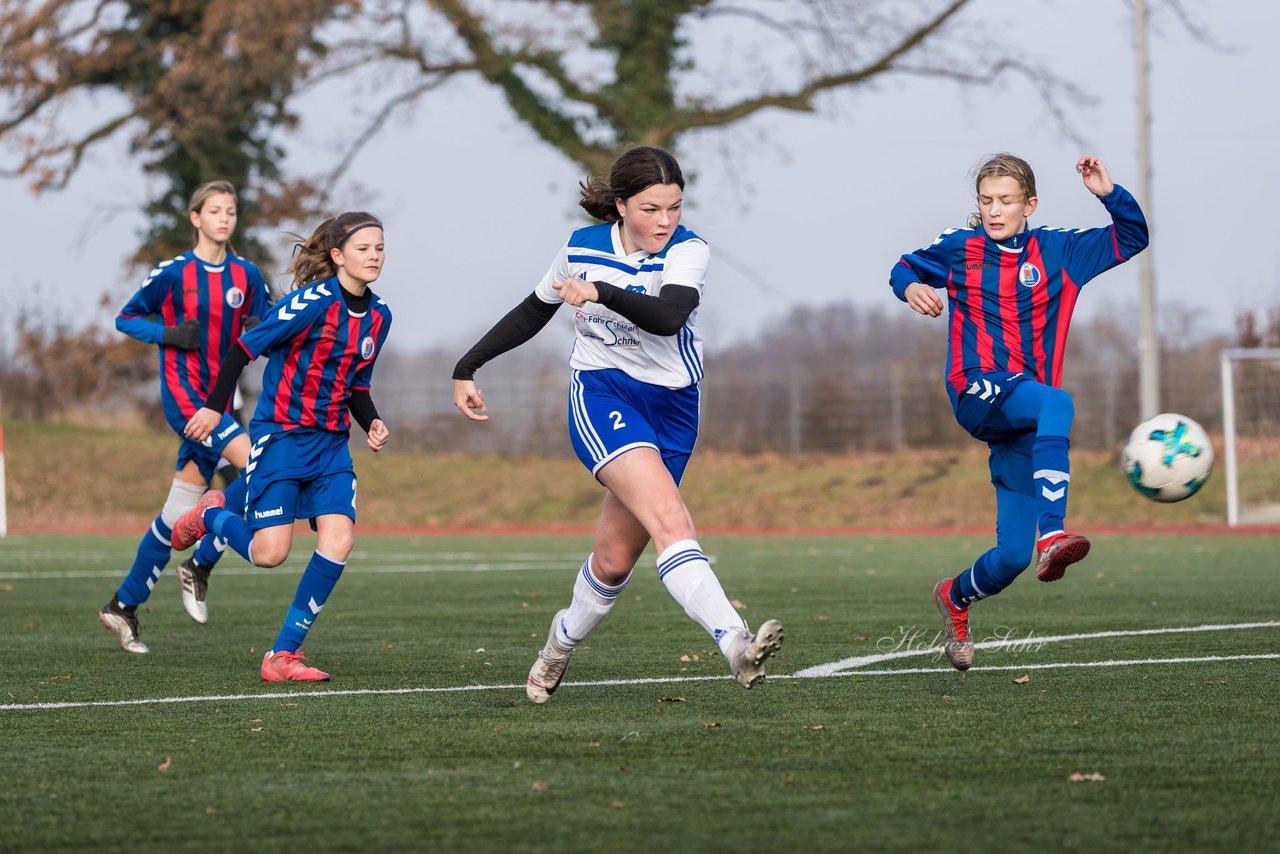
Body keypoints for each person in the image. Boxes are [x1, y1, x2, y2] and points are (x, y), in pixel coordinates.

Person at [452, 145, 783, 704]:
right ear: (621, 204)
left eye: (675, 207)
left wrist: (602, 292)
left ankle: (558, 643)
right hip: (603, 392)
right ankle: (735, 643)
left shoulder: (689, 250)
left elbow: (667, 316)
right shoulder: (580, 247)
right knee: (670, 518)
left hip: (674, 408)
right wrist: (468, 365)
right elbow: (534, 310)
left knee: (612, 560)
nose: (665, 221)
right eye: (651, 209)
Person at [889, 154, 1149, 671]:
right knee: (1058, 400)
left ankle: (955, 597)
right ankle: (1053, 533)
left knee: (1010, 557)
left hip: (1024, 420)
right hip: (975, 390)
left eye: (1006, 201)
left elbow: (1133, 236)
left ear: (1029, 204)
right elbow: (904, 266)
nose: (994, 210)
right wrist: (912, 287)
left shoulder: (1061, 251)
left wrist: (1108, 192)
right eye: (986, 201)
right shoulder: (960, 249)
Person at [171, 212, 392, 682]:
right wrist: (213, 408)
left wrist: (371, 422)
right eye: (363, 248)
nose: (374, 256)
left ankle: (281, 656)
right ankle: (210, 515)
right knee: (270, 554)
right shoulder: (312, 303)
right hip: (283, 438)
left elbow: (356, 383)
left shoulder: (380, 316)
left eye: (379, 248)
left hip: (332, 446)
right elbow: (242, 348)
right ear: (337, 256)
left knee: (340, 540)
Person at [99, 181, 271, 653]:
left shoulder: (247, 274)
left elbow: (270, 320)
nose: (223, 219)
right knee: (261, 468)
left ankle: (123, 606)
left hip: (225, 402)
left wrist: (263, 328)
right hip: (187, 402)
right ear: (195, 218)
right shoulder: (174, 273)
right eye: (214, 211)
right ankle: (200, 565)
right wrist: (168, 334)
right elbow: (126, 318)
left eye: (231, 212)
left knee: (175, 515)